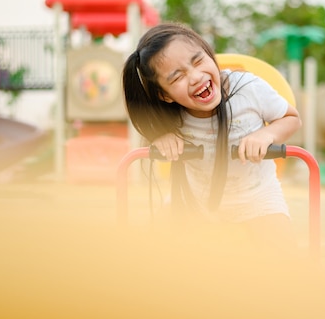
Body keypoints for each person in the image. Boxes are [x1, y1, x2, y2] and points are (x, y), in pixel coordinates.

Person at [122, 22, 302, 254]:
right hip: (195, 203)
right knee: (152, 250)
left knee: (288, 263)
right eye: (177, 77)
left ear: (209, 54)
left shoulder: (249, 89)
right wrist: (161, 137)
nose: (195, 77)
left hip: (259, 199)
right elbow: (150, 133)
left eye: (198, 61)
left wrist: (266, 134)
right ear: (164, 96)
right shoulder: (172, 114)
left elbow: (292, 118)